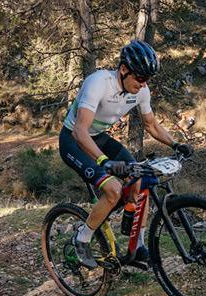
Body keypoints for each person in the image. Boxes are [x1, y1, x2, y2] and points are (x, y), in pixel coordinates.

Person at [59, 40, 192, 268]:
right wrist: (104, 161)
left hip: (98, 136)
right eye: (140, 78)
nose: (143, 85)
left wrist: (175, 145)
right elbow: (81, 130)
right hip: (73, 139)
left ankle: (137, 246)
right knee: (113, 190)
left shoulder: (141, 90)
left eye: (147, 80)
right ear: (123, 69)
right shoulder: (98, 83)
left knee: (141, 181)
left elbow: (151, 125)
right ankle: (81, 238)